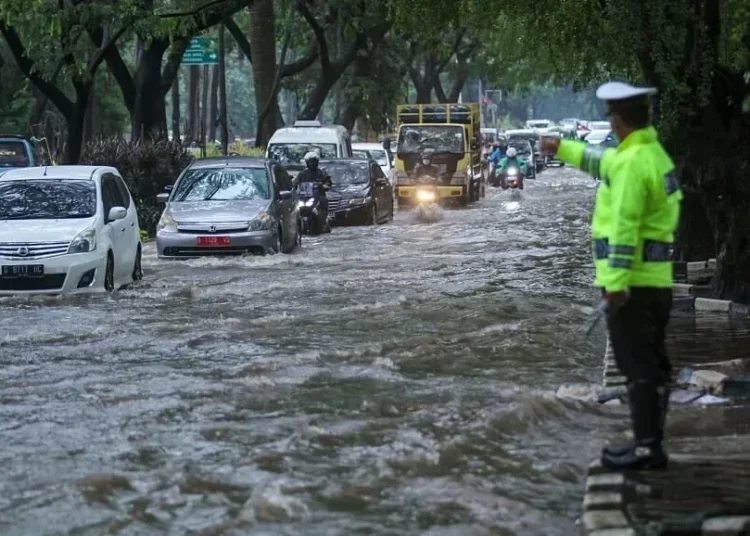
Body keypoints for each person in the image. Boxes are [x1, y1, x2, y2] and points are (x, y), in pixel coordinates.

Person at [539, 81, 682, 471]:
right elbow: (600, 162)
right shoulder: (648, 153)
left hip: (633, 285)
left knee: (639, 369)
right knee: (650, 365)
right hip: (655, 281)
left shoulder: (633, 163)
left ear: (617, 121)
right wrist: (561, 149)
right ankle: (647, 443)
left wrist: (616, 285)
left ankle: (647, 449)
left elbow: (623, 227)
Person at [296, 151, 333, 232]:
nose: (312, 163)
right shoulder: (302, 174)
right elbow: (295, 184)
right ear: (307, 162)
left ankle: (324, 221)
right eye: (310, 162)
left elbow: (328, 184)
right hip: (305, 196)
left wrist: (322, 186)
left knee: (323, 201)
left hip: (318, 196)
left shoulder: (322, 173)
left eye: (313, 161)